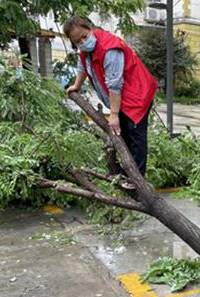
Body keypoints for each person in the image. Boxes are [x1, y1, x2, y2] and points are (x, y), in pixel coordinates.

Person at [63, 16, 157, 187]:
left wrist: (113, 114)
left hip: (137, 94)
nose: (83, 41)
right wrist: (76, 85)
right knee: (124, 134)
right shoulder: (85, 51)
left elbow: (114, 84)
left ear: (90, 29)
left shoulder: (109, 48)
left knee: (135, 136)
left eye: (85, 36)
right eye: (78, 41)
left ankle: (138, 179)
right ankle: (127, 173)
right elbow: (83, 67)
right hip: (123, 97)